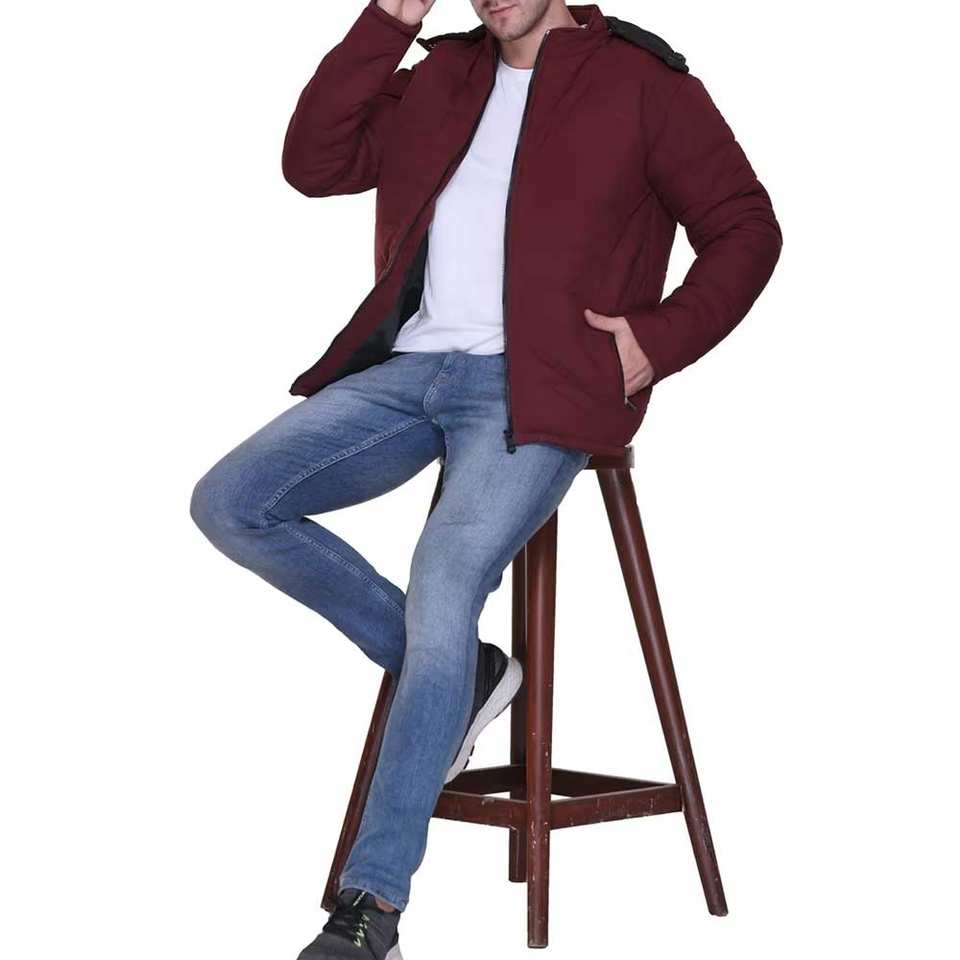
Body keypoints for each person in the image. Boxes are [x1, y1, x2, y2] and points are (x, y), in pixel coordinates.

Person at [190, 1, 782, 956]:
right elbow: (314, 162)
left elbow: (746, 227)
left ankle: (372, 907)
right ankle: (460, 672)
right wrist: (390, 18)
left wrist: (658, 340)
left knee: (443, 582)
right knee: (232, 502)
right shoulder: (442, 73)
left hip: (540, 387)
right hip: (412, 370)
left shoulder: (644, 84)